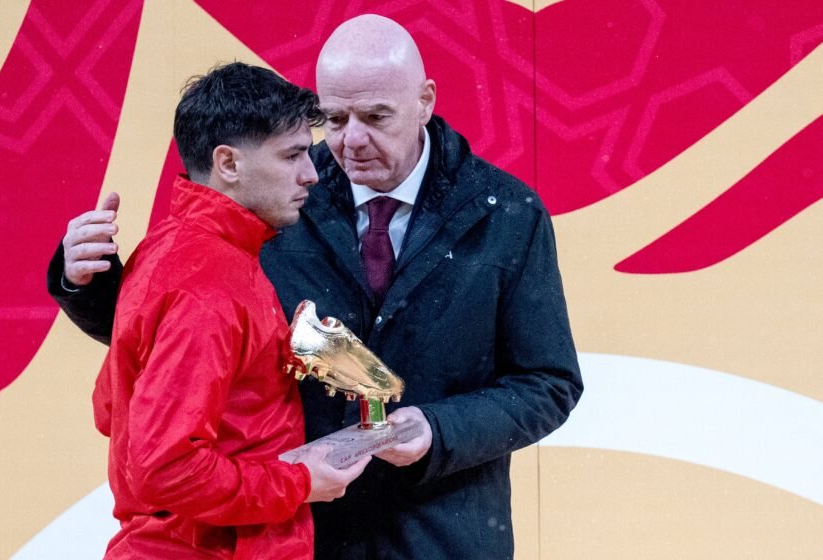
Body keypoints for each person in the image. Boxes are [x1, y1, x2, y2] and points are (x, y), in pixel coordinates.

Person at [48, 15, 583, 560]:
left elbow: (549, 382)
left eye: (376, 117)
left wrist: (439, 430)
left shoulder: (508, 214)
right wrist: (86, 285)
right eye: (334, 119)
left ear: (425, 101)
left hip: (442, 534)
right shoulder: (268, 192)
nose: (351, 140)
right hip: (294, 532)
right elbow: (174, 339)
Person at [82, 62, 369, 559]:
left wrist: (273, 364)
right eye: (293, 155)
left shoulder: (170, 249)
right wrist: (299, 481)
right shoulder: (211, 283)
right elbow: (165, 468)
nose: (311, 173)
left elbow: (112, 409)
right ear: (228, 163)